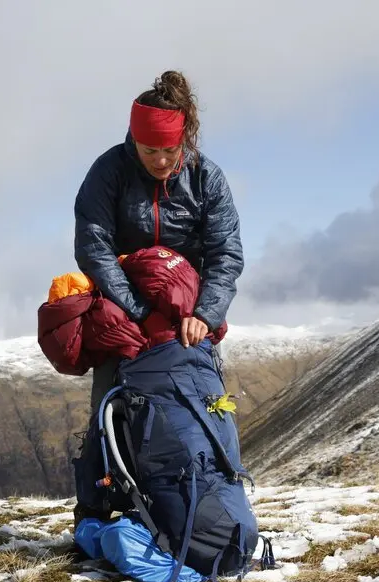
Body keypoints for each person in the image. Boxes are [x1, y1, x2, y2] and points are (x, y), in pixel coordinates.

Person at [73, 70, 244, 413]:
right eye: (150, 150)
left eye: (170, 149)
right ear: (133, 139)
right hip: (122, 311)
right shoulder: (110, 172)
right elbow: (94, 247)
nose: (161, 160)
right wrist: (140, 311)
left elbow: (225, 253)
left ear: (185, 140)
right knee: (109, 413)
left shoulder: (206, 178)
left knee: (208, 411)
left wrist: (205, 316)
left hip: (188, 314)